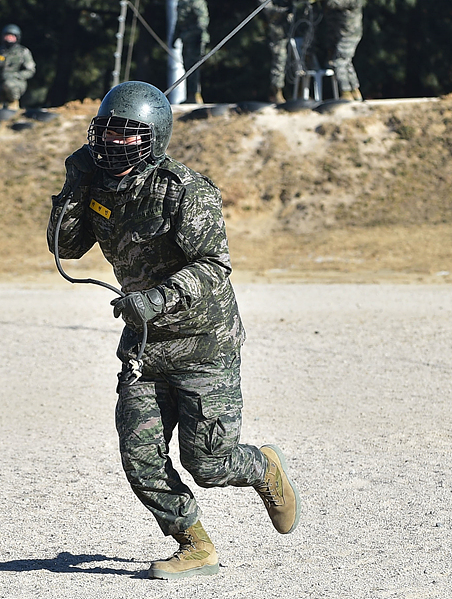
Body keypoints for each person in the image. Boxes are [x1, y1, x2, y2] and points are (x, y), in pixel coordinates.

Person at [46, 81, 301, 580]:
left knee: (209, 463)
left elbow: (214, 264)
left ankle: (263, 468)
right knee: (139, 455)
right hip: (146, 345)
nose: (112, 144)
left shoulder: (184, 190)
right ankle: (194, 545)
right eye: (105, 133)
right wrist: (73, 185)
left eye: (128, 135)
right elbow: (67, 247)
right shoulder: (96, 185)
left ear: (153, 139)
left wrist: (157, 299)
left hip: (204, 344)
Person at [0, 24, 36, 110]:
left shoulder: (23, 52)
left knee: (8, 85)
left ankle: (13, 104)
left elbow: (30, 70)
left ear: (17, 37)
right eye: (7, 36)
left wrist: (15, 75)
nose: (9, 38)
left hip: (16, 83)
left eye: (11, 36)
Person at [323, 0, 364, 100]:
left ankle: (346, 93)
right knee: (346, 62)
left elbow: (335, 3)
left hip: (349, 35)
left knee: (339, 62)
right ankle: (355, 91)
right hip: (344, 34)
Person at [175, 0, 210, 104]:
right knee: (187, 67)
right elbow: (179, 21)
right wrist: (174, 37)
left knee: (194, 67)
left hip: (195, 39)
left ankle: (195, 95)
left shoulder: (196, 2)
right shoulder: (182, 3)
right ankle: (190, 95)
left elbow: (202, 19)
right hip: (186, 38)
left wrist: (200, 36)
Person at [262, 0, 294, 103]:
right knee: (279, 60)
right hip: (278, 31)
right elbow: (267, 9)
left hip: (297, 26)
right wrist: (283, 11)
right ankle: (277, 93)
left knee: (303, 59)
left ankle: (302, 93)